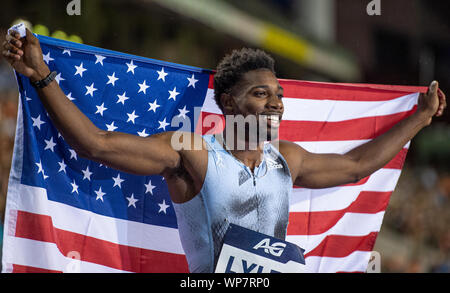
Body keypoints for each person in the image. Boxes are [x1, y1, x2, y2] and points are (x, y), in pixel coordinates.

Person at [2, 29, 447, 273]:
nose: (275, 102)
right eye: (260, 93)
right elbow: (96, 144)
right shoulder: (192, 154)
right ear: (229, 102)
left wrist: (420, 117)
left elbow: (354, 167)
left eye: (278, 94)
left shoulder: (286, 160)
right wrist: (42, 75)